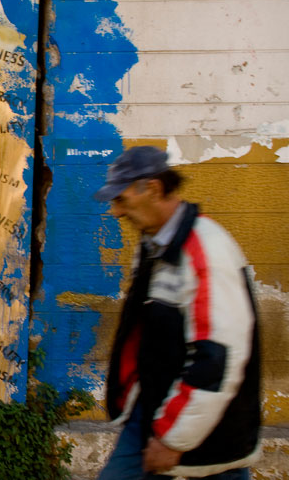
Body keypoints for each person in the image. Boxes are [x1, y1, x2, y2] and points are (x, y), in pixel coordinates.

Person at [93, 146, 261, 479]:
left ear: (152, 189)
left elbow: (216, 359)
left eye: (122, 199)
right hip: (154, 410)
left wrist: (173, 438)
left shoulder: (204, 251)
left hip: (207, 430)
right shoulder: (155, 243)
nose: (116, 212)